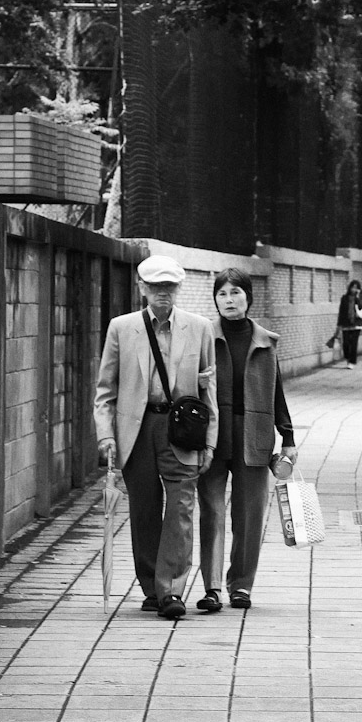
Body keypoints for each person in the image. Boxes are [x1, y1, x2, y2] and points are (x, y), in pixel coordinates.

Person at [94, 255, 217, 620]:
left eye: (170, 287)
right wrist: (105, 436)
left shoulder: (200, 328)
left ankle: (171, 589)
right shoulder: (121, 328)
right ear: (142, 288)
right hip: (137, 428)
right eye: (156, 287)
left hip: (183, 429)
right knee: (144, 509)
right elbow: (105, 390)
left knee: (181, 507)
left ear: (179, 289)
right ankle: (152, 586)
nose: (164, 293)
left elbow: (209, 390)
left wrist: (210, 440)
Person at [196, 268, 297, 613]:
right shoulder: (204, 337)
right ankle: (212, 588)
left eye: (235, 292)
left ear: (248, 297)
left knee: (249, 515)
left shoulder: (266, 342)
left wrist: (288, 437)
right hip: (212, 435)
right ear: (215, 300)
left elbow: (276, 391)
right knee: (211, 511)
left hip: (254, 434)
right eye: (222, 294)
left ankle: (240, 585)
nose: (229, 300)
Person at [336, 279, 362, 369]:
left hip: (356, 323)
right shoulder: (344, 298)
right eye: (353, 287)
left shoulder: (359, 298)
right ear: (350, 288)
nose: (354, 289)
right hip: (346, 324)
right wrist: (339, 325)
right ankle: (348, 358)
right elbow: (341, 312)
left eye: (356, 288)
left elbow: (361, 307)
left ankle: (352, 362)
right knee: (346, 343)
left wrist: (358, 297)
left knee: (354, 344)